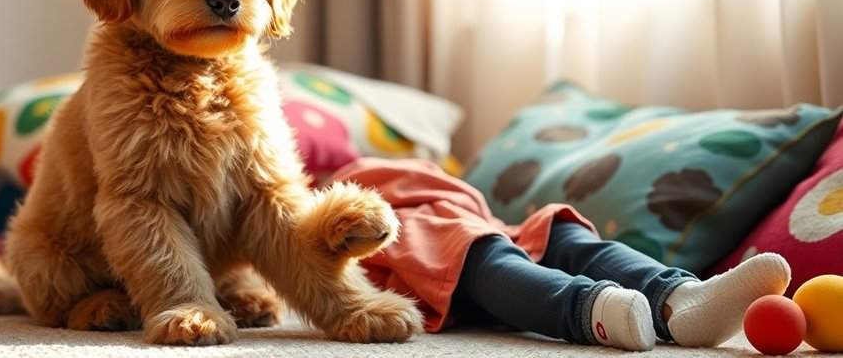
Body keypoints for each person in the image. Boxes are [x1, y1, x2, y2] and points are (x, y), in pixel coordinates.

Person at [330, 157, 791, 351]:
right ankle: (593, 310)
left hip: (479, 225)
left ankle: (682, 300)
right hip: (413, 253)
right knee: (478, 252)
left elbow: (458, 195)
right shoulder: (328, 191)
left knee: (563, 235)